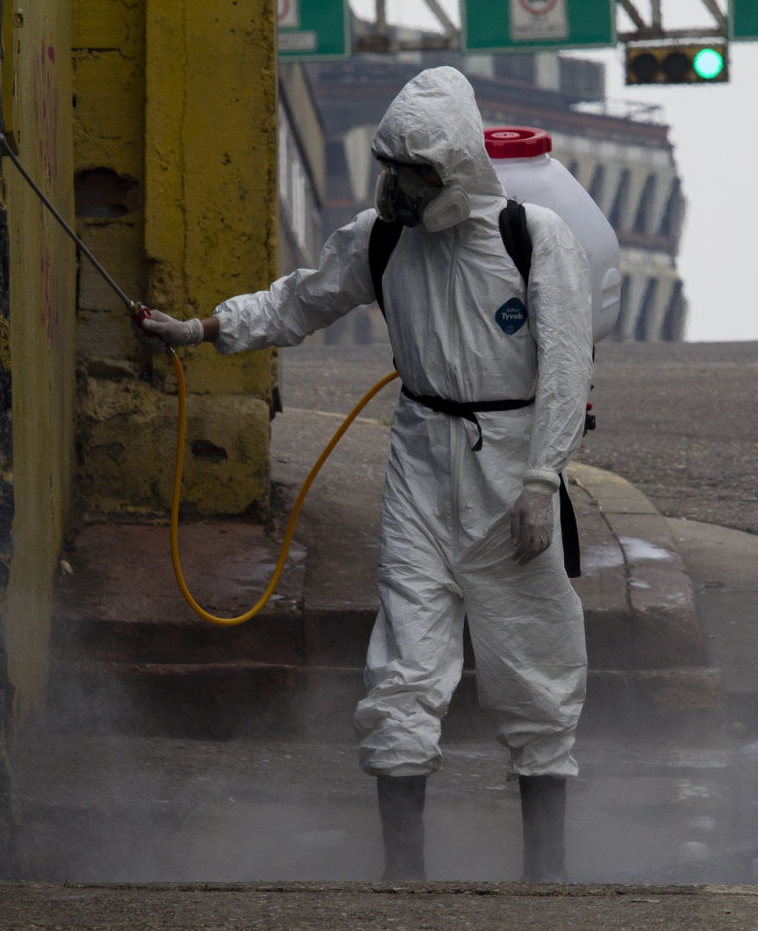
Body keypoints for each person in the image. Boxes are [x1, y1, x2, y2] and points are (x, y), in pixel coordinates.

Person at [136, 66, 593, 883]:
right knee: (404, 670)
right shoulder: (382, 242)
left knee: (536, 669)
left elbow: (564, 366)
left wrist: (541, 481)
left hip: (513, 468)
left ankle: (547, 879)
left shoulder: (535, 238)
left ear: (453, 169)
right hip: (421, 467)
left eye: (415, 173)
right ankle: (403, 877)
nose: (400, 189)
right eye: (393, 169)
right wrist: (201, 330)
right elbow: (299, 301)